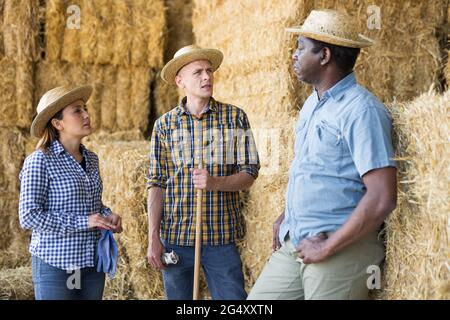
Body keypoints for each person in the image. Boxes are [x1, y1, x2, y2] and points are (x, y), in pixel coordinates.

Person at [248, 9, 397, 300]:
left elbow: (383, 197)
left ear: (324, 55)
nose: (294, 54)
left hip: (339, 247)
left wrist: (327, 248)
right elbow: (318, 172)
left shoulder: (361, 110)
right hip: (298, 241)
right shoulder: (312, 105)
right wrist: (286, 215)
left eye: (301, 47)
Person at [147, 45, 260, 300]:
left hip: (221, 238)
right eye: (198, 72)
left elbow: (249, 174)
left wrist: (214, 182)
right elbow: (156, 182)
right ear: (180, 81)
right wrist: (153, 236)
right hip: (176, 237)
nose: (207, 77)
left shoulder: (234, 118)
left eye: (209, 71)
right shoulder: (165, 125)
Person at [19, 85, 123, 300]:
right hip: (58, 263)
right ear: (58, 124)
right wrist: (84, 221)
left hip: (91, 263)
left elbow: (89, 204)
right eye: (77, 111)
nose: (87, 115)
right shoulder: (40, 160)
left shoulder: (91, 159)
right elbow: (28, 216)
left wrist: (106, 215)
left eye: (85, 109)